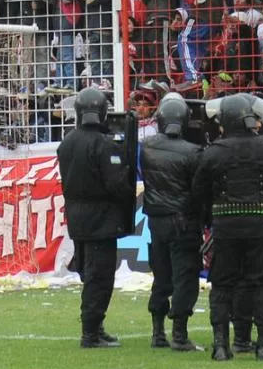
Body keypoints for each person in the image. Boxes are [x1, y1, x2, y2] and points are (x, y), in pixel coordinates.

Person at [192, 93, 263, 361]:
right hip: (260, 223)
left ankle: (221, 345)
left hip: (225, 223)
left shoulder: (213, 152)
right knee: (261, 282)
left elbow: (198, 190)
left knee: (222, 283)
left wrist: (211, 215)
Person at [57, 87, 133, 348]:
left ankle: (94, 327)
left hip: (76, 218)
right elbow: (116, 185)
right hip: (101, 218)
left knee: (88, 273)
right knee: (99, 276)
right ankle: (91, 331)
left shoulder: (67, 142)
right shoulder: (104, 144)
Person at [141, 92, 205, 351]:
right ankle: (179, 332)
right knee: (185, 277)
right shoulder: (193, 152)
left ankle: (158, 332)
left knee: (162, 276)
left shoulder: (147, 148)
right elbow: (199, 189)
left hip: (157, 221)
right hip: (183, 221)